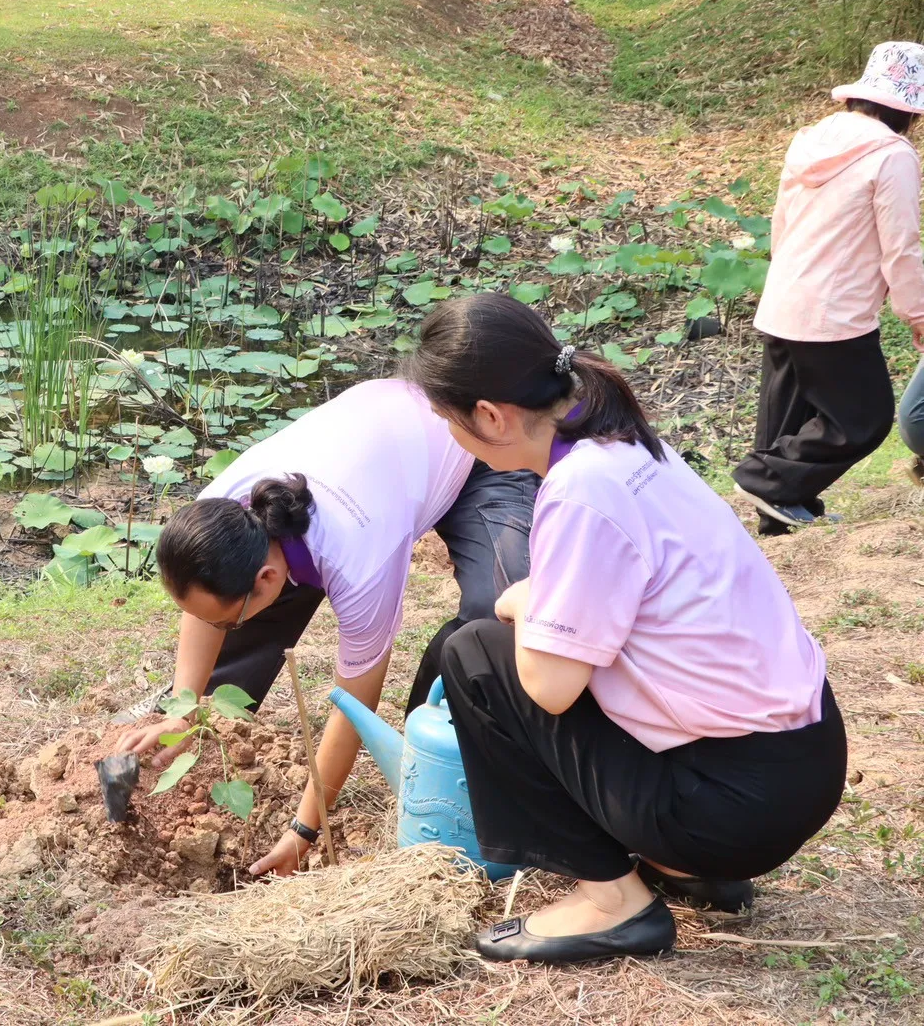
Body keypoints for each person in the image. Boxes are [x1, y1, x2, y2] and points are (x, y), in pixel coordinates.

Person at [404, 293, 846, 964]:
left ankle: (615, 903)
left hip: (731, 804)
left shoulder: (582, 489)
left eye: (447, 420)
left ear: (489, 415)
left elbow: (548, 688)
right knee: (520, 643)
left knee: (473, 653)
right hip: (801, 763)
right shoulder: (625, 442)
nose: (448, 437)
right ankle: (686, 868)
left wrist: (520, 603)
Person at [113, 378, 539, 877]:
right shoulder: (220, 511)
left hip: (468, 444)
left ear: (269, 576)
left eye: (221, 617)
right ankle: (196, 718)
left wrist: (304, 830)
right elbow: (202, 601)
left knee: (501, 615)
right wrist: (184, 707)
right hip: (380, 454)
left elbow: (354, 702)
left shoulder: (360, 561)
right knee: (231, 614)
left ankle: (433, 739)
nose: (214, 624)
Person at [733, 41, 924, 534]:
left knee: (786, 418)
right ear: (908, 111)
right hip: (833, 311)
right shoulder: (893, 155)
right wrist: (918, 314)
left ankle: (780, 520)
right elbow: (900, 248)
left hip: (785, 295)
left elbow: (782, 221)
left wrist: (786, 274)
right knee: (862, 418)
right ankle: (761, 479)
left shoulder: (810, 139)